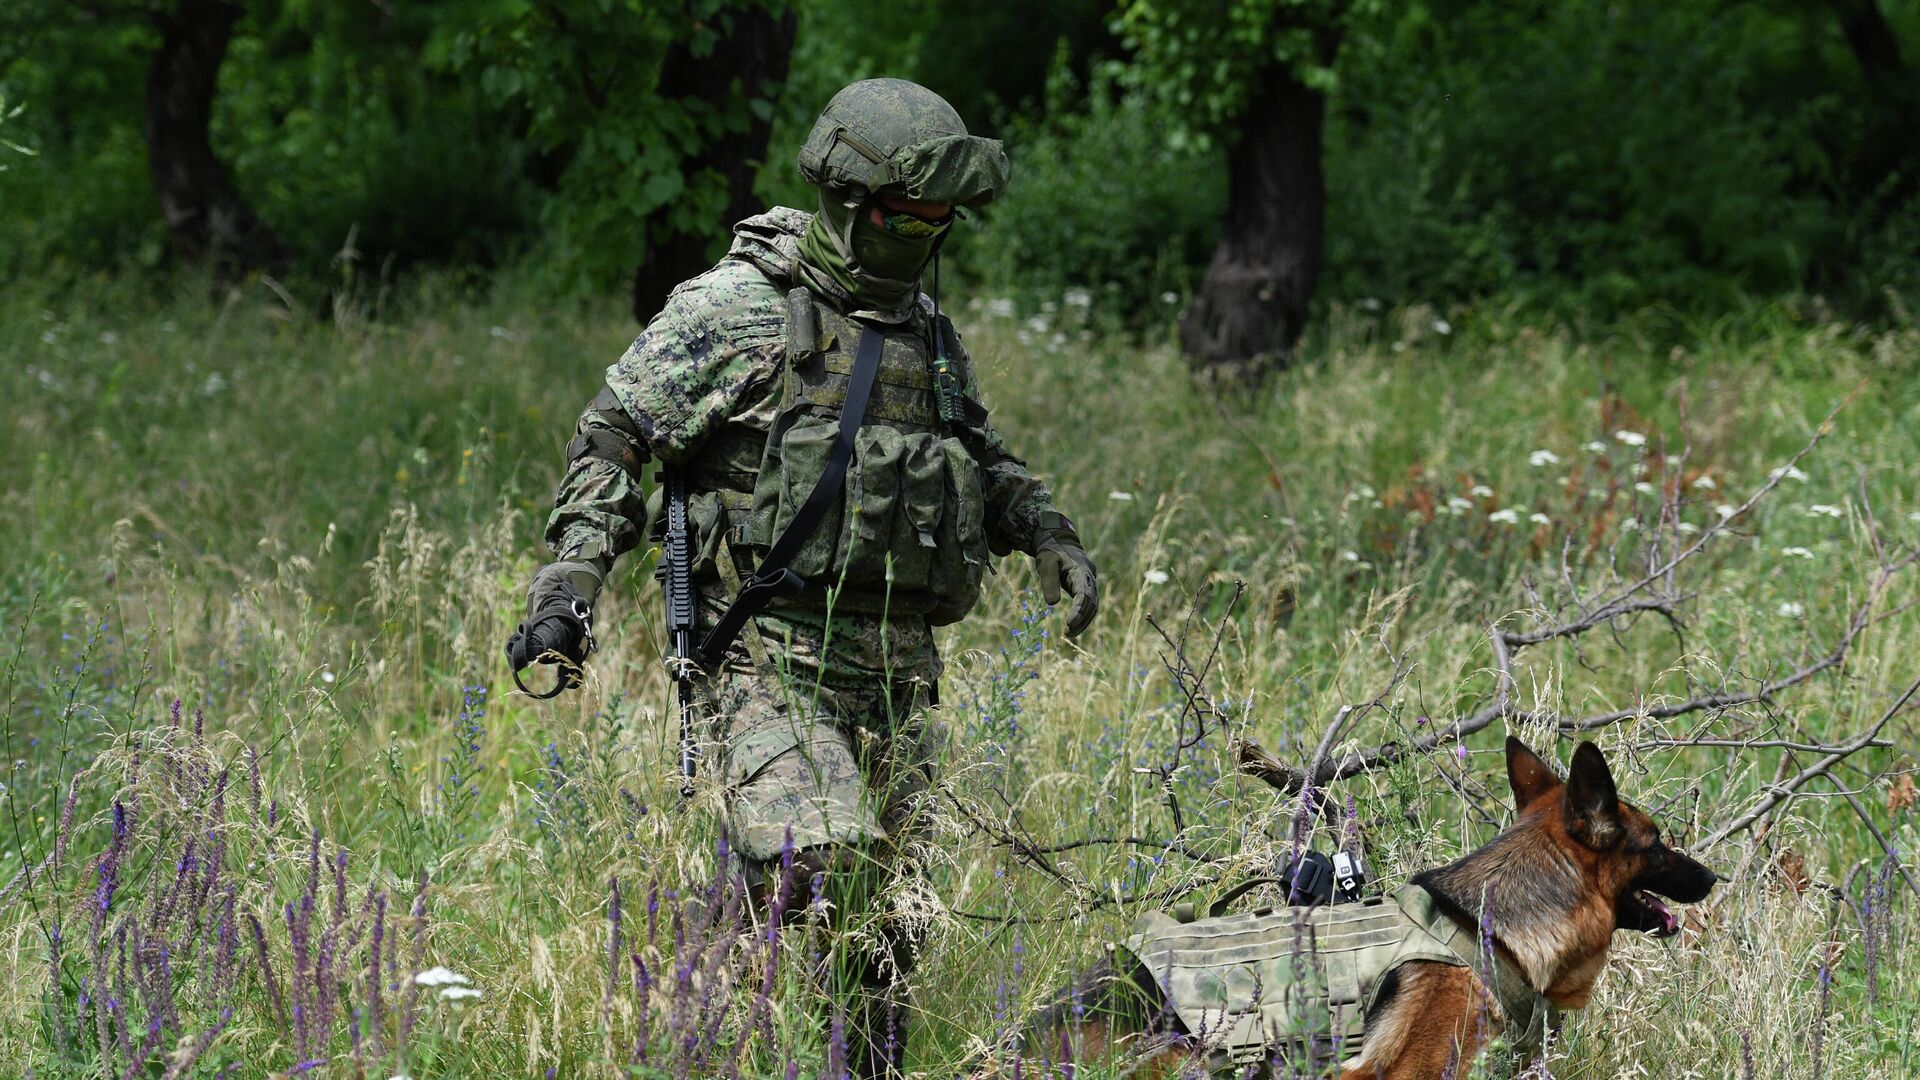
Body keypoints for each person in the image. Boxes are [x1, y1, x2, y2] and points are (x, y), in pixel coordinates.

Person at [504, 78, 1098, 1078]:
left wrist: (1049, 537)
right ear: (853, 199)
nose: (923, 233)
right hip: (765, 662)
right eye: (908, 213)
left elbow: (981, 457)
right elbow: (614, 435)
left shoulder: (927, 336)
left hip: (900, 677)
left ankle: (760, 1047)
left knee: (886, 936)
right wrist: (570, 579)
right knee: (825, 856)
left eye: (940, 218)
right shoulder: (736, 312)